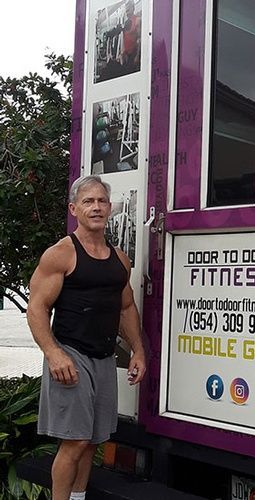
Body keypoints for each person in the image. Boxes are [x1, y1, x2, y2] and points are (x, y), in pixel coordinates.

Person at [27, 175, 146, 500]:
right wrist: (53, 353)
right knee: (75, 440)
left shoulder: (119, 259)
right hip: (71, 355)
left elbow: (127, 308)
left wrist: (138, 350)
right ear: (74, 208)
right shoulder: (61, 254)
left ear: (110, 207)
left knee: (94, 439)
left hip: (104, 357)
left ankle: (78, 497)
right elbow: (36, 308)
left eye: (101, 201)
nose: (96, 207)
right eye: (88, 201)